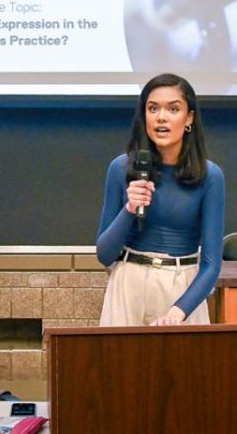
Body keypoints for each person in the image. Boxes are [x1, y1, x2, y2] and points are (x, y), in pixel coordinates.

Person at [96, 73, 225, 326]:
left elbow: (211, 264)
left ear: (189, 118)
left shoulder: (210, 176)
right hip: (127, 283)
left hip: (183, 288)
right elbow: (104, 254)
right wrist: (130, 208)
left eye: (173, 109)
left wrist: (179, 311)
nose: (161, 117)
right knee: (121, 366)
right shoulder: (121, 168)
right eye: (153, 108)